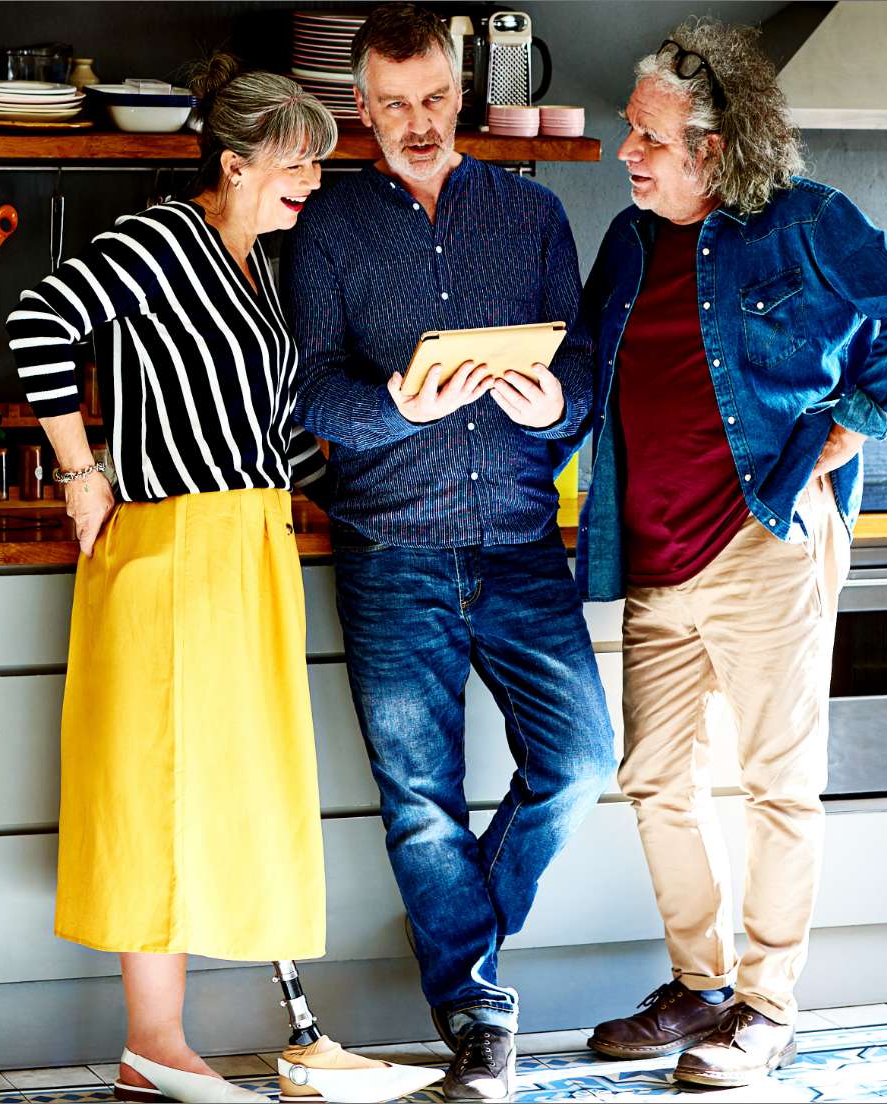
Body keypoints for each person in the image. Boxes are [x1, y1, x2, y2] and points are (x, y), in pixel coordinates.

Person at [5, 56, 440, 1104]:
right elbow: (38, 326)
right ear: (233, 162)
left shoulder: (260, 268)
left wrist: (385, 443)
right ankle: (153, 1043)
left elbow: (265, 425)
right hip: (170, 549)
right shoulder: (163, 240)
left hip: (248, 546)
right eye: (294, 164)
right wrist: (79, 472)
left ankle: (286, 1038)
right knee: (158, 786)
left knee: (241, 783)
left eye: (319, 167)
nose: (311, 183)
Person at [575, 20, 887, 1089]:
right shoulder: (627, 240)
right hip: (655, 555)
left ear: (713, 146)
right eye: (629, 133)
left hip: (768, 538)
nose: (629, 153)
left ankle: (766, 1009)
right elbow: (581, 372)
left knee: (778, 784)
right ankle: (697, 987)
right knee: (657, 782)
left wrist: (858, 419)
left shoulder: (803, 224)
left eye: (649, 138)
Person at [281, 5, 614, 1098]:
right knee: (419, 798)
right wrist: (395, 407)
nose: (416, 124)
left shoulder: (531, 215)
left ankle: (463, 950)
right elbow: (310, 386)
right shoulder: (326, 226)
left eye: (432, 101)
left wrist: (551, 399)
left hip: (521, 544)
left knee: (579, 766)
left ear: (460, 94)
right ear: (360, 108)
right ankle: (478, 1017)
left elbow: (578, 390)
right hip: (390, 551)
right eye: (392, 107)